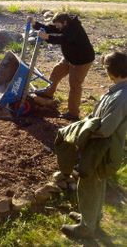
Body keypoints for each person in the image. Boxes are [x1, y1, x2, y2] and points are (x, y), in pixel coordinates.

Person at [54, 51, 127, 239]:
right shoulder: (119, 90)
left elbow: (104, 129)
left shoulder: (121, 97)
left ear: (112, 71)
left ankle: (86, 228)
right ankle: (92, 217)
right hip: (102, 148)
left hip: (102, 150)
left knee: (89, 184)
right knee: (97, 183)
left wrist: (80, 131)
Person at [28, 13, 95, 121]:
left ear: (64, 22)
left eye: (58, 25)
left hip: (81, 61)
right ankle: (48, 93)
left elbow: (64, 39)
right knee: (57, 71)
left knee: (75, 85)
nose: (57, 28)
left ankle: (73, 113)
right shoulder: (64, 25)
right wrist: (35, 23)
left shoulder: (75, 29)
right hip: (70, 58)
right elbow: (50, 28)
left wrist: (47, 37)